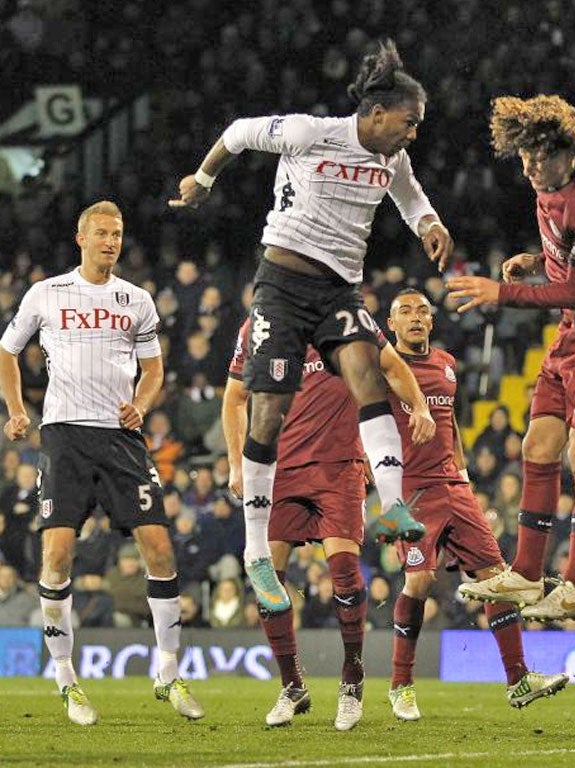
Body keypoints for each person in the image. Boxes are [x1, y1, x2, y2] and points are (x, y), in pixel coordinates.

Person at [169, 39, 449, 613]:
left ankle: (393, 506)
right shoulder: (309, 133)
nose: (414, 133)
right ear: (377, 114)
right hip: (281, 285)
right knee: (268, 413)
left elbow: (411, 198)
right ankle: (255, 551)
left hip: (339, 291)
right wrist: (203, 178)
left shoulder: (392, 160)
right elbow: (239, 133)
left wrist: (430, 225)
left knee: (367, 376)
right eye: (410, 122)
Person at [449, 95, 575, 621]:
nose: (531, 168)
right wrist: (539, 259)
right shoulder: (554, 185)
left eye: (541, 158)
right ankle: (525, 574)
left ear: (570, 152)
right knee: (538, 443)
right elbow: (573, 255)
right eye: (524, 157)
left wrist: (502, 294)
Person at [0, 201, 203, 725]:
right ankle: (66, 679)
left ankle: (169, 671)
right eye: (103, 233)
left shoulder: (136, 299)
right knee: (57, 556)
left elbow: (154, 370)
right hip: (64, 436)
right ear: (81, 238)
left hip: (121, 438)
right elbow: (7, 351)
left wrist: (143, 404)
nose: (111, 241)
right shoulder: (46, 293)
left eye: (117, 234)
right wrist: (17, 409)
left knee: (160, 549)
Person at [223, 315, 432, 730]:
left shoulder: (344, 316)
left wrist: (421, 406)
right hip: (280, 470)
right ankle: (292, 685)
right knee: (269, 579)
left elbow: (391, 365)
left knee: (344, 573)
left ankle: (352, 681)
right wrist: (236, 463)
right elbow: (234, 397)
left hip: (338, 467)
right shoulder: (257, 326)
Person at [384, 288, 568, 719]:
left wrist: (464, 477)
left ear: (432, 321)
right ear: (391, 324)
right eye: (405, 312)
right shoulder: (383, 367)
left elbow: (450, 425)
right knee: (420, 581)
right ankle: (400, 685)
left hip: (454, 487)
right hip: (410, 491)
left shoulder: (447, 364)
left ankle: (519, 680)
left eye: (422, 311)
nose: (415, 317)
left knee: (496, 578)